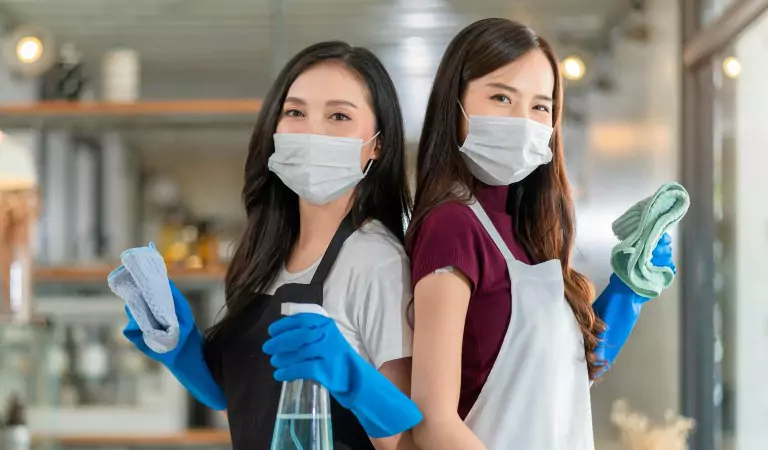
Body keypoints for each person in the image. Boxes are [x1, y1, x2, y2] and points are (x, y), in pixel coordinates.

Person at [112, 41, 422, 450]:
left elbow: (408, 444)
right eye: (295, 112)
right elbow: (245, 403)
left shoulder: (375, 260)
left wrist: (350, 375)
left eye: (339, 116)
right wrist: (181, 348)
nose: (312, 130)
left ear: (377, 144)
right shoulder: (264, 252)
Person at [405, 18, 676, 450]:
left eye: (540, 106)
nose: (523, 120)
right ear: (453, 104)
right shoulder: (453, 227)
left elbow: (553, 388)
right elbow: (434, 422)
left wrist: (626, 293)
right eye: (500, 97)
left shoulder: (531, 232)